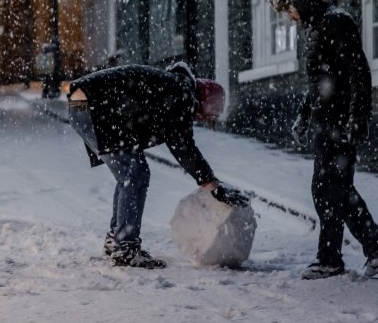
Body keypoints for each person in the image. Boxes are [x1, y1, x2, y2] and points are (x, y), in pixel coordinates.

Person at [269, 0, 378, 280]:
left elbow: (358, 73)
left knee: (328, 188)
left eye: (289, 8)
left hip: (339, 122)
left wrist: (356, 118)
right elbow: (319, 82)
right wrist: (304, 114)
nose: (289, 16)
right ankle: (375, 250)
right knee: (337, 189)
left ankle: (333, 257)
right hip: (329, 122)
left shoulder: (335, 22)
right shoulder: (318, 26)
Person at [68, 61, 248, 269]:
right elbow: (183, 147)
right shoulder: (181, 95)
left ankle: (117, 241)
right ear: (204, 101)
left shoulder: (174, 88)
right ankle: (125, 248)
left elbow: (180, 142)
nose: (202, 120)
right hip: (98, 106)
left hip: (88, 104)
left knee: (131, 173)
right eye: (208, 115)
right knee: (134, 174)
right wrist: (213, 186)